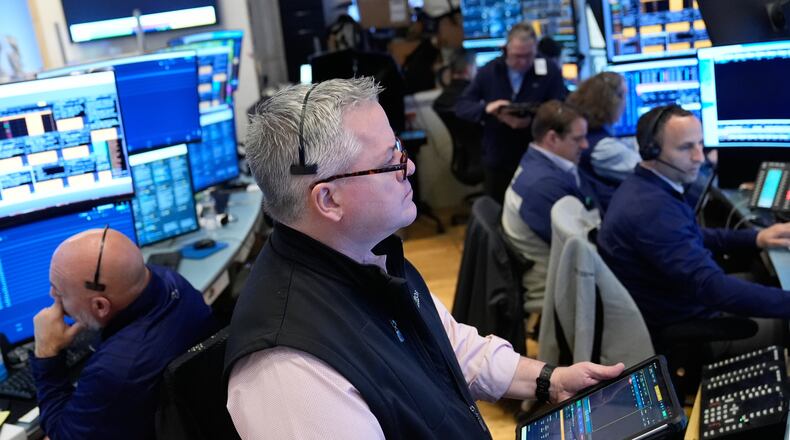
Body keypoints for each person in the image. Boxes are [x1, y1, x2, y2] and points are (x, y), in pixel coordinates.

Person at [223, 78, 623, 439]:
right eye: (389, 161)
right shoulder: (291, 372)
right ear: (328, 199)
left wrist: (550, 380)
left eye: (399, 148)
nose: (409, 166)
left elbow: (447, 346)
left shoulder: (366, 252)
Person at [598, 105, 790, 349]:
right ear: (651, 151)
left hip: (676, 300)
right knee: (784, 321)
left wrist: (756, 237)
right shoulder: (652, 210)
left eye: (700, 144)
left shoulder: (645, 187)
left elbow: (693, 234)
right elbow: (712, 288)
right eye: (686, 147)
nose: (699, 157)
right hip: (685, 322)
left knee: (763, 282)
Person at [32, 227, 217, 440]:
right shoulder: (170, 280)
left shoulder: (115, 370)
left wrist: (46, 352)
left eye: (59, 293)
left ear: (100, 306)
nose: (52, 296)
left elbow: (64, 436)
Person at [456, 22, 567, 204]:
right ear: (506, 49)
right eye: (517, 56)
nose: (522, 62)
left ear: (536, 49)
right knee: (496, 210)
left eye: (528, 56)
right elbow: (462, 106)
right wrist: (488, 109)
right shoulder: (490, 71)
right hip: (499, 155)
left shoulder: (549, 70)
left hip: (537, 155)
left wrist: (534, 119)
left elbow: (561, 107)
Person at [501, 100, 596, 309]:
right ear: (552, 138)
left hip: (566, 272)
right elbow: (583, 250)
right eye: (578, 139)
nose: (585, 145)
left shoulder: (540, 163)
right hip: (557, 289)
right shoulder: (542, 186)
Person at [566, 72, 641, 212]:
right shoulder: (603, 148)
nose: (626, 102)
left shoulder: (590, 134)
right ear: (612, 102)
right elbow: (650, 172)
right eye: (624, 96)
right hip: (619, 213)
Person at [433, 48, 477, 114]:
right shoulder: (475, 98)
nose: (476, 71)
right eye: (475, 66)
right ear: (468, 69)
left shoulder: (439, 102)